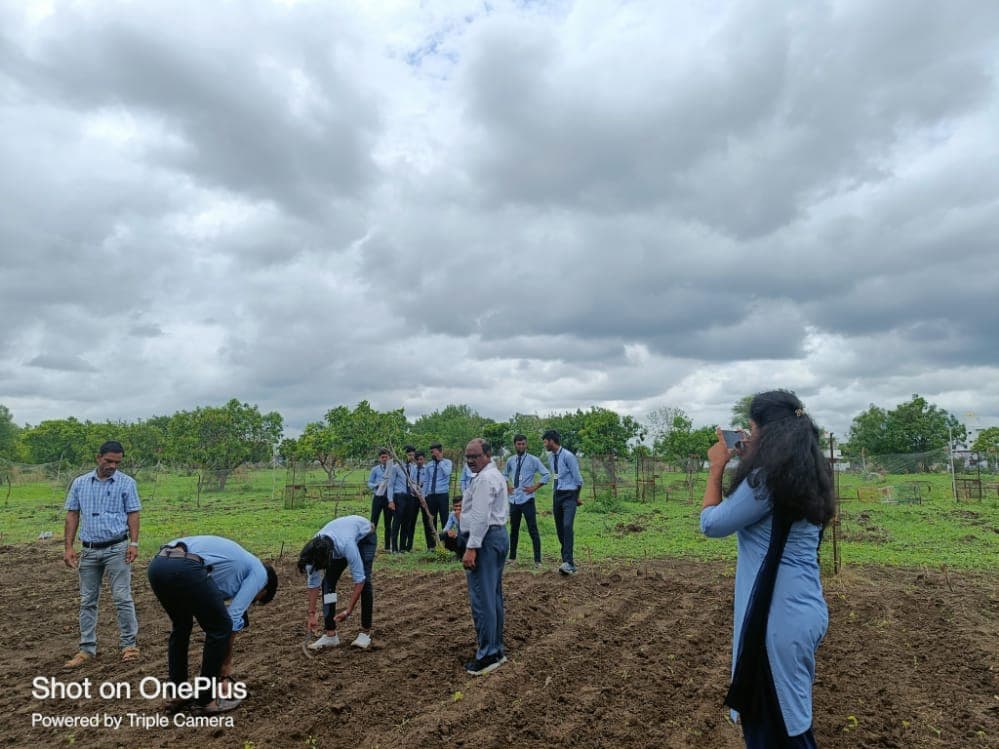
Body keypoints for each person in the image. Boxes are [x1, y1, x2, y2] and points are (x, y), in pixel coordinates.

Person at [699, 390, 835, 749]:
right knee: (785, 723)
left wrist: (716, 467)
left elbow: (711, 523)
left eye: (753, 429)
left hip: (775, 618)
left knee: (779, 732)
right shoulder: (808, 476)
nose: (749, 435)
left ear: (768, 433)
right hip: (803, 610)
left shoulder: (765, 481)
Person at [146, 535, 278, 714]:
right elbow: (232, 618)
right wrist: (225, 668)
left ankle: (177, 693)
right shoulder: (260, 574)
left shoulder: (234, 568)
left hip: (158, 565)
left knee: (181, 626)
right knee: (220, 629)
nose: (252, 601)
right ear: (265, 589)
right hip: (185, 567)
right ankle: (206, 699)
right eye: (257, 599)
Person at [62, 440, 141, 668]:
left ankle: (129, 646)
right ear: (99, 458)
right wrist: (68, 547)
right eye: (109, 461)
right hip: (89, 549)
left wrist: (134, 543)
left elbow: (133, 514)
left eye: (117, 462)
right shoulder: (80, 483)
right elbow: (72, 514)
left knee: (122, 597)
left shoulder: (127, 483)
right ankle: (86, 649)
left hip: (117, 548)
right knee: (87, 600)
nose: (113, 466)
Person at [460, 439, 510, 676]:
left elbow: (480, 516)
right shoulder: (494, 475)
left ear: (488, 455)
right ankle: (496, 649)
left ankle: (488, 654)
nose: (471, 461)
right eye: (468, 457)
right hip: (497, 537)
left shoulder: (484, 479)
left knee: (482, 598)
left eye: (475, 456)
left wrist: (472, 547)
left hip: (485, 540)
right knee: (493, 596)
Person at [300, 515, 378, 651]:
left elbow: (359, 580)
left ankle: (365, 632)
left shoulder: (347, 545)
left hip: (365, 536)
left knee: (365, 582)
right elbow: (313, 584)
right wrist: (311, 614)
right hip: (340, 539)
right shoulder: (313, 552)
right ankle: (330, 634)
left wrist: (348, 611)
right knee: (328, 583)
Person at [503, 434, 550, 568]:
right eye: (519, 444)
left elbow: (546, 474)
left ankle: (537, 561)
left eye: (523, 444)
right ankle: (512, 558)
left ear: (526, 444)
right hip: (514, 500)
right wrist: (507, 485)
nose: (521, 446)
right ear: (515, 445)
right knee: (514, 530)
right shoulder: (510, 460)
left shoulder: (533, 460)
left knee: (533, 530)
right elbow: (504, 474)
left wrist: (535, 487)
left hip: (527, 499)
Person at [542, 430, 584, 576]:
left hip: (570, 495)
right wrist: (555, 493)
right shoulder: (551, 457)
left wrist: (576, 497)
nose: (544, 445)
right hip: (557, 495)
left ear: (551, 441)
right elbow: (556, 476)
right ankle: (566, 561)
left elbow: (578, 480)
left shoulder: (568, 456)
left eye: (545, 442)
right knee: (560, 529)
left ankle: (569, 563)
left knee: (567, 526)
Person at [423, 442, 452, 547]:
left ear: (440, 452)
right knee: (431, 520)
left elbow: (447, 473)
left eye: (434, 452)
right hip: (431, 496)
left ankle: (447, 545)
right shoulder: (429, 465)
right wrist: (424, 496)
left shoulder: (447, 462)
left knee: (445, 519)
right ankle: (431, 546)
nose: (432, 454)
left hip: (443, 495)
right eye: (431, 452)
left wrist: (440, 461)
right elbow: (426, 481)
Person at [389, 446, 416, 553]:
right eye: (409, 455)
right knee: (397, 522)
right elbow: (390, 484)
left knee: (406, 523)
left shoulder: (413, 467)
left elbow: (413, 482)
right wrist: (390, 500)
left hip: (410, 497)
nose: (412, 457)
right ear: (404, 455)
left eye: (413, 455)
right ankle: (394, 548)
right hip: (399, 497)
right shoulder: (396, 467)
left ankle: (402, 548)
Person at [368, 449, 394, 551]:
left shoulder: (393, 469)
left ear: (389, 458)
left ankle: (387, 546)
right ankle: (370, 545)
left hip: (388, 498)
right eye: (382, 457)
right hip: (378, 497)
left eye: (386, 457)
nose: (384, 459)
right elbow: (369, 483)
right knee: (373, 522)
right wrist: (376, 485)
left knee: (388, 523)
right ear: (379, 458)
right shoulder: (375, 470)